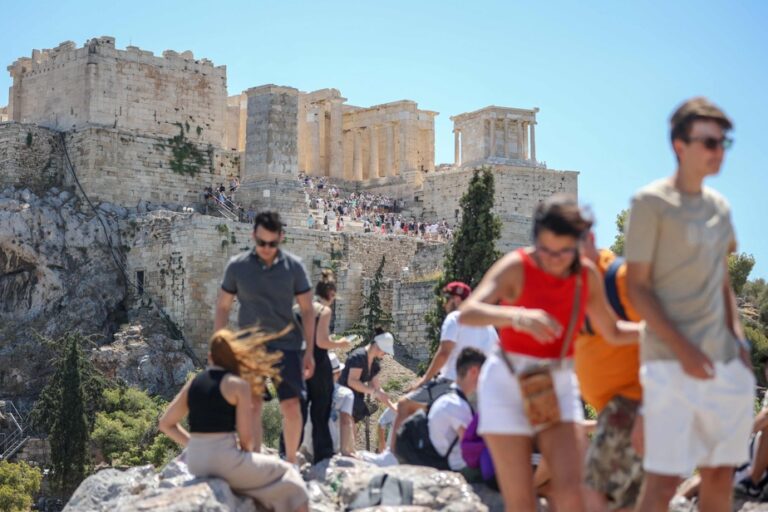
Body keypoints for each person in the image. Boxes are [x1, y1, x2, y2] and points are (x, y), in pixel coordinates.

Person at [459, 194, 640, 512]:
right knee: (521, 502)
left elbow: (612, 330)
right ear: (534, 242)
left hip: (554, 381)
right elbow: (469, 312)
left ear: (579, 244)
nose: (555, 259)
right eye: (546, 250)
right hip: (506, 381)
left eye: (565, 252)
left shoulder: (587, 277)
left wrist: (658, 334)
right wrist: (517, 316)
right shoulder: (517, 265)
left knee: (571, 492)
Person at [626, 97, 754, 512]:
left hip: (724, 362)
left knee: (719, 475)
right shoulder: (650, 204)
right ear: (680, 145)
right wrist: (685, 349)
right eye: (709, 141)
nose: (718, 151)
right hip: (669, 362)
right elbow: (638, 289)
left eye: (723, 142)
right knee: (663, 482)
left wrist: (741, 349)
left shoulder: (720, 208)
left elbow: (721, 283)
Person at [159, 328, 309, 512]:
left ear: (210, 356)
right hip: (224, 461)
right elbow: (246, 439)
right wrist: (247, 457)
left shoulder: (194, 382)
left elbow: (166, 423)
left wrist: (194, 444)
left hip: (195, 462)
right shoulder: (238, 385)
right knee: (291, 478)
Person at [214, 211, 316, 464]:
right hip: (250, 346)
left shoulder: (294, 267)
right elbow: (223, 306)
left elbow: (307, 309)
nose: (266, 248)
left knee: (292, 406)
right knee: (252, 405)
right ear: (253, 237)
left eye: (272, 243)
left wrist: (310, 351)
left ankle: (291, 462)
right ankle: (254, 460)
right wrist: (219, 345)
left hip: (288, 346)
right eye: (261, 243)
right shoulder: (238, 266)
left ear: (281, 238)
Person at [574, 231, 644, 512]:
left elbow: (665, 341)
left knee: (594, 492)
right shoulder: (574, 282)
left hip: (632, 404)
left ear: (589, 238)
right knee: (623, 500)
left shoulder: (622, 278)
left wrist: (647, 413)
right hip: (612, 410)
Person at [390, 281, 498, 453]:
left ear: (455, 299)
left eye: (446, 299)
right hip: (480, 388)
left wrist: (424, 381)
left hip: (452, 383)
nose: (444, 303)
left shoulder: (455, 318)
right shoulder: (488, 326)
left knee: (404, 405)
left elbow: (444, 352)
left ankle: (391, 455)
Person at [302, 270, 353, 462]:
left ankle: (294, 448)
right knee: (321, 408)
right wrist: (340, 344)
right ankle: (322, 451)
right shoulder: (324, 311)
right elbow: (322, 342)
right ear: (330, 294)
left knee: (302, 408)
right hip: (319, 364)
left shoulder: (303, 307)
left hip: (301, 362)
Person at [428, 347, 486, 472]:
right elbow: (471, 447)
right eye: (484, 373)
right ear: (474, 371)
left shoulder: (446, 398)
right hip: (458, 468)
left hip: (441, 462)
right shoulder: (457, 405)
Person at [302, 352, 356, 459]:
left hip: (309, 446)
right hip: (332, 448)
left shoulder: (306, 391)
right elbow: (345, 421)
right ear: (338, 373)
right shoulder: (345, 394)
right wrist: (345, 450)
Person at [338, 329, 396, 425]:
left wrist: (393, 408)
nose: (386, 354)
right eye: (385, 351)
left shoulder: (374, 364)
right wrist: (373, 392)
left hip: (353, 404)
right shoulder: (358, 357)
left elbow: (377, 388)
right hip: (341, 402)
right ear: (378, 346)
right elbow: (352, 381)